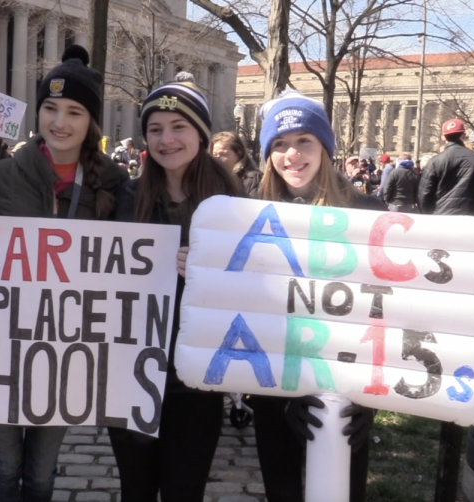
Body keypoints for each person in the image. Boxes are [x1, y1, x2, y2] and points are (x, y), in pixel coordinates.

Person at [0, 45, 128, 502]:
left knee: (41, 474)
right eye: (49, 108)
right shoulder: (5, 173)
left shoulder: (116, 181)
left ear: (90, 122)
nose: (59, 122)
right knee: (3, 466)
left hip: (69, 348)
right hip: (4, 341)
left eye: (73, 111)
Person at [108, 77, 242, 502]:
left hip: (196, 379)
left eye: (178, 126)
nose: (166, 139)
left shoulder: (232, 201)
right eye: (155, 128)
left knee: (185, 491)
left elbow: (259, 285)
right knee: (137, 490)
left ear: (201, 134)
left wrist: (212, 270)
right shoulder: (125, 197)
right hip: (130, 372)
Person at [252, 89, 382, 502]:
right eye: (279, 144)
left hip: (346, 393)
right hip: (274, 392)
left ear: (324, 147)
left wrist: (368, 401)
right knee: (283, 492)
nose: (292, 154)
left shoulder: (368, 212)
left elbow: (383, 314)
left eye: (304, 140)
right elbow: (247, 309)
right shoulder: (250, 216)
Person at [418, 119, 474, 216]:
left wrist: (428, 214)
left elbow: (424, 193)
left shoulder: (436, 161)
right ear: (464, 135)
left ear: (443, 137)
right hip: (470, 218)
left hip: (441, 217)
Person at [210, 130, 262, 197]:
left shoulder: (253, 178)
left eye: (223, 154)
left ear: (239, 153)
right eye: (214, 155)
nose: (216, 158)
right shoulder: (211, 178)